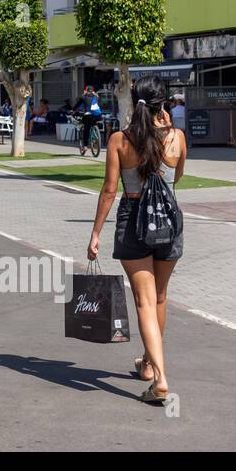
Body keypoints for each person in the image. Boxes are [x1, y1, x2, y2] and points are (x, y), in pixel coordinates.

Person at [86, 76, 186, 406]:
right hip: (169, 222)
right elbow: (177, 177)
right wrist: (166, 128)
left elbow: (110, 190)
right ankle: (147, 365)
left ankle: (160, 378)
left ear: (134, 100)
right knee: (159, 297)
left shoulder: (119, 140)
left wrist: (96, 233)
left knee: (143, 301)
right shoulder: (177, 138)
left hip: (133, 220)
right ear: (164, 105)